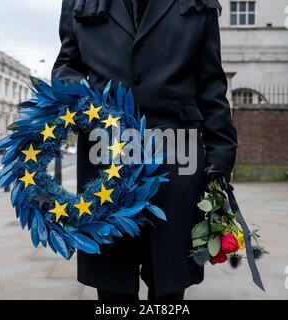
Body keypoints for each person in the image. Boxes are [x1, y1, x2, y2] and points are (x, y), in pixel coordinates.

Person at [52, 0, 237, 301]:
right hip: (106, 157)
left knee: (169, 285)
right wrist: (80, 95)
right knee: (113, 286)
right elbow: (66, 65)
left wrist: (221, 155)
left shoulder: (196, 3)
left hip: (176, 161)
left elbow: (211, 83)